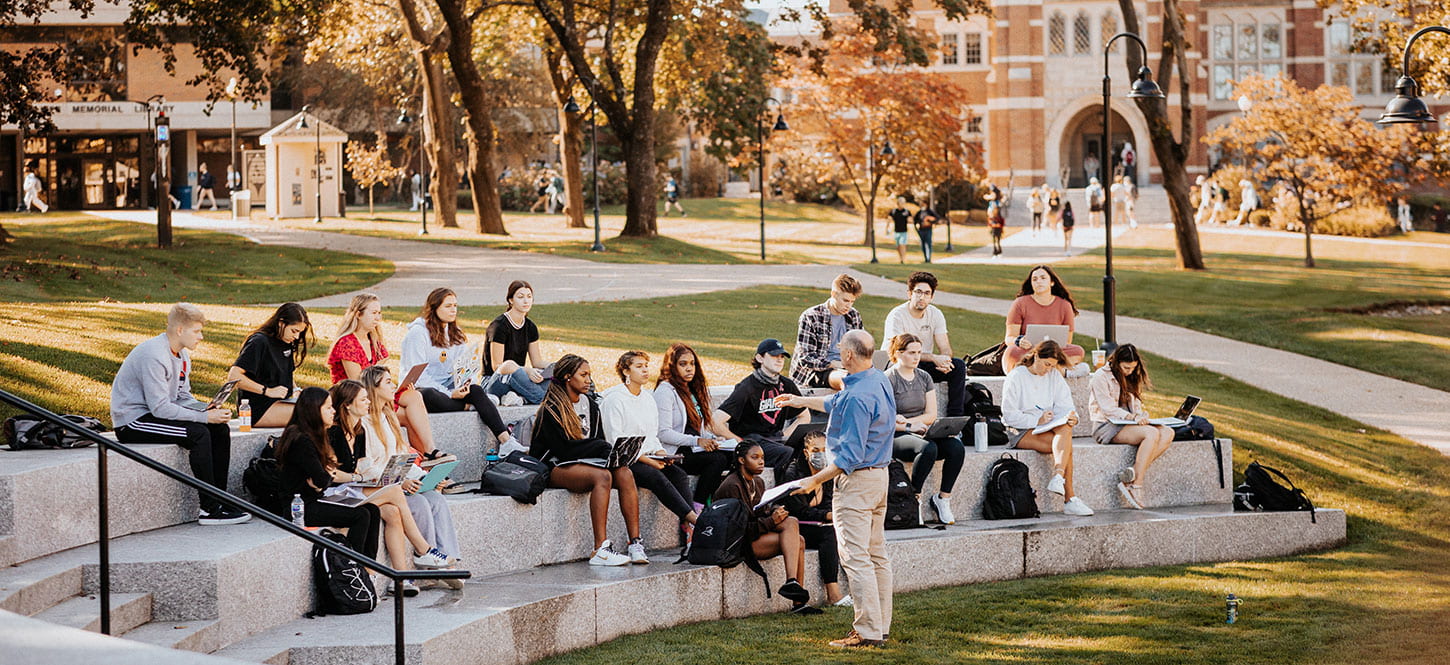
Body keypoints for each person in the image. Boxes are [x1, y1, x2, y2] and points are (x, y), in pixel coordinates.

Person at [781, 330, 896, 648]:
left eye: (840, 350)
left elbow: (849, 457)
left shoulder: (858, 396)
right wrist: (800, 400)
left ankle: (868, 631)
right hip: (879, 478)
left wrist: (814, 481)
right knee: (876, 556)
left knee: (857, 558)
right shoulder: (876, 378)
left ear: (848, 355)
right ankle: (880, 626)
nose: (838, 353)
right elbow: (838, 401)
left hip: (857, 482)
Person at [111, 303, 250, 525]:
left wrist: (205, 408)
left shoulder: (183, 355)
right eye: (196, 331)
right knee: (199, 433)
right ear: (179, 330)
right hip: (134, 421)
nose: (201, 337)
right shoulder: (154, 355)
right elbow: (160, 408)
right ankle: (209, 509)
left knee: (219, 428)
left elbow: (182, 395)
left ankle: (220, 499)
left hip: (155, 415)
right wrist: (203, 418)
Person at [325, 380, 453, 596]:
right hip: (334, 494)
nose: (368, 403)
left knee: (393, 512)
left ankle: (400, 579)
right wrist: (359, 476)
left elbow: (362, 467)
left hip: (355, 489)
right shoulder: (334, 433)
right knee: (394, 491)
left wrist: (367, 477)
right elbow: (332, 474)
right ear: (347, 404)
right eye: (363, 399)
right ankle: (423, 550)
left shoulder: (357, 431)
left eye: (367, 398)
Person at [528, 354, 642, 566]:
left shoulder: (590, 404)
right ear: (567, 377)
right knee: (603, 477)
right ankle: (600, 549)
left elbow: (597, 441)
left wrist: (610, 453)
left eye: (589, 374)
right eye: (583, 375)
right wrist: (601, 448)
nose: (589, 379)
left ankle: (635, 543)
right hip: (554, 466)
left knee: (624, 472)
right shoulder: (551, 409)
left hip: (583, 461)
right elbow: (563, 450)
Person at [359, 365, 466, 581]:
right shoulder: (363, 423)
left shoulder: (389, 418)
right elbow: (365, 467)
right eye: (388, 382)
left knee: (435, 498)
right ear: (374, 388)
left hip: (399, 481)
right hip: (378, 485)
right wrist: (401, 482)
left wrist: (424, 477)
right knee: (420, 504)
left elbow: (402, 457)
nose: (393, 386)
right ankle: (428, 560)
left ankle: (447, 560)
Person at [328, 293, 446, 459]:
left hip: (376, 394)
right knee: (407, 417)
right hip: (355, 399)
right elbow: (357, 385)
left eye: (380, 313)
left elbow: (381, 375)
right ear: (358, 314)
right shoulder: (347, 343)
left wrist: (393, 387)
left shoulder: (375, 341)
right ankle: (420, 459)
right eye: (373, 313)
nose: (378, 317)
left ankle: (430, 449)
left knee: (413, 395)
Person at [400, 287, 515, 456]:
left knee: (475, 390)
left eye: (455, 305)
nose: (453, 309)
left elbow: (464, 367)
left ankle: (507, 441)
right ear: (434, 308)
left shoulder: (456, 333)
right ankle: (471, 405)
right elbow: (418, 377)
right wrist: (450, 393)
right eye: (448, 306)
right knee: (430, 394)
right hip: (419, 389)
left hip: (450, 385)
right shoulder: (418, 333)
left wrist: (465, 385)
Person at [600, 350, 697, 549]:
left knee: (678, 474)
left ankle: (689, 529)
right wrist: (649, 460)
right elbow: (615, 441)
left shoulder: (647, 398)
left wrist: (662, 455)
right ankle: (695, 519)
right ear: (626, 371)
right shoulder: (614, 399)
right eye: (638, 366)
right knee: (655, 476)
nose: (645, 370)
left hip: (648, 455)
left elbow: (652, 436)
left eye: (646, 365)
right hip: (623, 459)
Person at [275, 387, 382, 559]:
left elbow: (323, 478)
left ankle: (369, 569)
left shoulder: (316, 434)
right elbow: (323, 478)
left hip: (315, 497)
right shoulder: (301, 439)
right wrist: (321, 481)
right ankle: (352, 567)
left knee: (372, 510)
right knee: (360, 516)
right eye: (328, 407)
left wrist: (321, 481)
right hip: (300, 507)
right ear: (314, 409)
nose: (333, 411)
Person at [714, 441, 815, 614]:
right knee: (797, 541)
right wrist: (772, 521)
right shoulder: (732, 486)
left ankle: (794, 588)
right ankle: (795, 595)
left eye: (762, 458)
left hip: (754, 536)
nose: (761, 462)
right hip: (736, 544)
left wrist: (775, 512)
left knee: (792, 525)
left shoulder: (758, 482)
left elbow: (761, 512)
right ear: (741, 460)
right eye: (754, 458)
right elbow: (741, 530)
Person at [1002, 340, 1092, 516]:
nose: (1048, 369)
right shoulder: (1017, 376)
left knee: (1066, 427)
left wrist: (1072, 417)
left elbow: (1066, 405)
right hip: (1019, 430)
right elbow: (1009, 415)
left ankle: (1058, 477)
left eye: (1052, 366)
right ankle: (1070, 498)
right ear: (1036, 356)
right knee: (1067, 447)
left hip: (1048, 426)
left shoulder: (1053, 375)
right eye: (1046, 364)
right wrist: (1037, 420)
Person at [884, 333, 964, 524]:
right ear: (897, 353)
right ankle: (914, 496)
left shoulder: (924, 377)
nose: (917, 357)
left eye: (919, 352)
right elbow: (886, 420)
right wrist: (908, 425)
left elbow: (931, 415)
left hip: (919, 430)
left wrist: (912, 422)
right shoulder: (888, 379)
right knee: (928, 448)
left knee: (955, 447)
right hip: (895, 435)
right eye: (912, 353)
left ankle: (943, 498)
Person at [1088, 344, 1174, 510]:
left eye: (1133, 368)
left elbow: (1135, 405)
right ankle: (1136, 485)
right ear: (1116, 362)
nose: (1129, 371)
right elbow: (1108, 409)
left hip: (1129, 423)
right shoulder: (1100, 376)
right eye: (1126, 367)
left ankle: (1132, 472)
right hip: (1106, 426)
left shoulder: (1131, 376)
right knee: (1150, 434)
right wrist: (1132, 417)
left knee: (1168, 432)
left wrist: (1140, 416)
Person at [654, 342, 735, 509]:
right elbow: (663, 433)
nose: (689, 369)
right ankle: (698, 507)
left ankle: (723, 503)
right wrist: (697, 441)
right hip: (674, 453)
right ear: (672, 366)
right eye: (683, 364)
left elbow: (698, 428)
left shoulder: (692, 391)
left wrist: (712, 439)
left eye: (692, 364)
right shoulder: (665, 391)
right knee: (717, 460)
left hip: (693, 448)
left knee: (735, 455)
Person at [716, 339, 810, 481]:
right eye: (774, 356)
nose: (779, 360)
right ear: (760, 358)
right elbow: (715, 421)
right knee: (786, 453)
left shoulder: (786, 385)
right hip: (753, 440)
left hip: (775, 439)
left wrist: (785, 435)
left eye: (781, 357)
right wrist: (740, 442)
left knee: (812, 449)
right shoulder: (747, 387)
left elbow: (804, 416)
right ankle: (782, 498)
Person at [883, 271, 967, 417]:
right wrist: (934, 358)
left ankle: (955, 419)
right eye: (918, 292)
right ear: (910, 293)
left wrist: (945, 361)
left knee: (958, 366)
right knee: (913, 365)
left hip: (922, 364)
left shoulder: (936, 314)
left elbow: (945, 347)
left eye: (927, 293)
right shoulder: (897, 315)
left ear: (931, 297)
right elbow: (898, 350)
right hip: (898, 364)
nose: (922, 297)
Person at [781, 430, 850, 607]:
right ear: (806, 452)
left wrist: (829, 514)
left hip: (819, 524)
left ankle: (859, 583)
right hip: (797, 527)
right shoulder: (794, 472)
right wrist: (827, 515)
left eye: (824, 450)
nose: (821, 455)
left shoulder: (827, 473)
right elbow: (798, 510)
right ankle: (833, 593)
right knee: (829, 532)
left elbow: (829, 502)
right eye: (815, 450)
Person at [227, 302, 312, 428]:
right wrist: (267, 391)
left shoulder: (285, 341)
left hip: (281, 402)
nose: (297, 336)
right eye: (294, 331)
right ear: (281, 323)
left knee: (326, 409)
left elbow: (286, 372)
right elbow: (233, 377)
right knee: (314, 415)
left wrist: (296, 390)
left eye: (300, 332)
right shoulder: (259, 342)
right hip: (258, 408)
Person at [1003, 265, 1087, 372]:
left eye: (1043, 278)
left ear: (1052, 282)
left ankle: (1042, 367)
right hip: (1028, 351)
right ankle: (1053, 368)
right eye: (1035, 279)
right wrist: (1019, 341)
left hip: (1053, 352)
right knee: (1012, 352)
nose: (1039, 281)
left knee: (1078, 351)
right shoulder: (1020, 303)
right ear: (1031, 284)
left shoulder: (1065, 305)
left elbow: (1066, 341)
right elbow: (1009, 338)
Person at [790, 273, 864, 391]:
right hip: (815, 372)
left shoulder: (853, 315)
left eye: (852, 301)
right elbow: (805, 358)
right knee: (848, 379)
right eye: (845, 300)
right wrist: (833, 364)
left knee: (875, 377)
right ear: (833, 294)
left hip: (846, 367)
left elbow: (860, 349)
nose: (848, 306)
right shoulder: (811, 316)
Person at [482, 280, 548, 405]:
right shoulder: (499, 326)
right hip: (494, 381)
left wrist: (558, 366)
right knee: (510, 365)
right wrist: (526, 371)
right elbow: (497, 366)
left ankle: (519, 399)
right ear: (511, 300)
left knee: (552, 377)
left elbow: (537, 362)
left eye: (529, 297)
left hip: (518, 380)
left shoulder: (530, 327)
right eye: (520, 297)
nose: (526, 301)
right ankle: (544, 399)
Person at [887, 197, 912, 264]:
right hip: (896, 231)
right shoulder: (894, 211)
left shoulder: (906, 212)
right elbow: (889, 219)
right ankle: (900, 257)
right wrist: (887, 228)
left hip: (904, 231)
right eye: (901, 203)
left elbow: (910, 219)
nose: (903, 204)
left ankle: (903, 259)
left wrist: (910, 221)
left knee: (902, 245)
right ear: (898, 203)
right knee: (898, 246)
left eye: (904, 203)